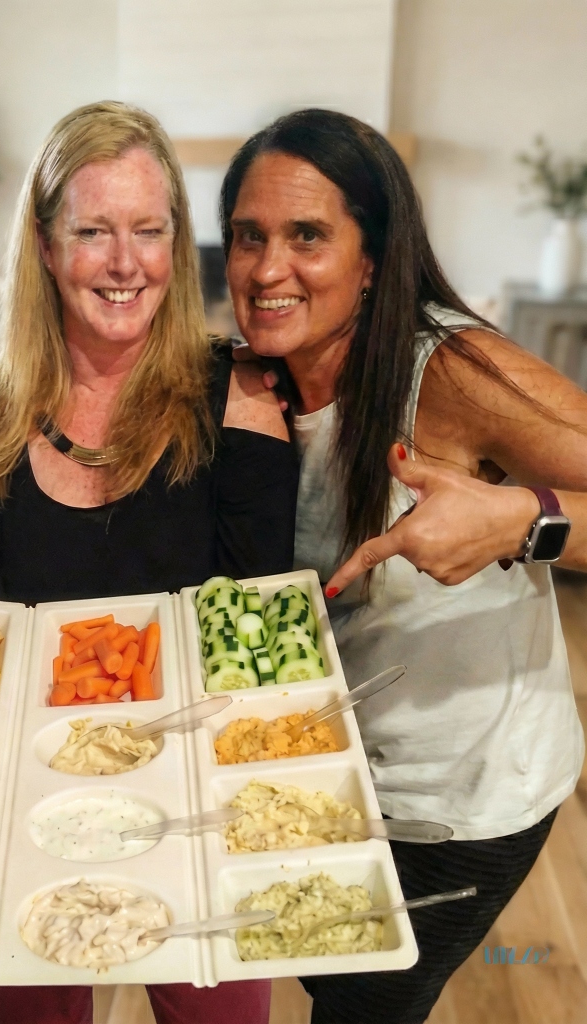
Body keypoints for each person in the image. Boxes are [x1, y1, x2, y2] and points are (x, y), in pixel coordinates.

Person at [219, 107, 587, 1024]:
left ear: (375, 257)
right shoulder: (251, 382)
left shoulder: (450, 371)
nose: (269, 269)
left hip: (460, 800)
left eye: (309, 236)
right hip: (330, 774)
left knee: (367, 1005)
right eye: (248, 236)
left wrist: (518, 522)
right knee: (325, 976)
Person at [0, 101, 296, 1024]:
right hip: (32, 807)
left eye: (149, 230)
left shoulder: (242, 395)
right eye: (93, 231)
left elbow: (247, 629)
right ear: (47, 245)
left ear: (178, 246)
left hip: (196, 803)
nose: (125, 262)